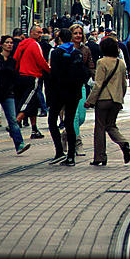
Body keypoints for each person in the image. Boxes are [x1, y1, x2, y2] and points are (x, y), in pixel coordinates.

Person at [85, 36, 130, 166]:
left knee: (99, 127)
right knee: (111, 125)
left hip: (103, 99)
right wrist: (120, 98)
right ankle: (123, 142)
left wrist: (90, 100)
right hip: (116, 100)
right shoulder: (120, 63)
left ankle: (100, 157)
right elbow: (124, 84)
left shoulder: (102, 62)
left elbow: (98, 84)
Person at [47, 28, 87, 166]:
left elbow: (53, 75)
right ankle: (71, 157)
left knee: (52, 121)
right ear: (70, 38)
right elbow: (83, 73)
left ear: (59, 39)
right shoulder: (77, 53)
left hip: (59, 93)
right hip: (74, 93)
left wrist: (49, 95)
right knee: (70, 123)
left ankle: (59, 151)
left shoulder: (56, 52)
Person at [0, 36, 30, 154]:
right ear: (2, 44)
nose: (9, 45)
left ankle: (19, 144)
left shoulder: (13, 60)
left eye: (11, 43)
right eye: (7, 42)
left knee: (13, 120)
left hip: (8, 93)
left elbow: (14, 77)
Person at [13, 25, 50, 140]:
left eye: (41, 33)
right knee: (28, 102)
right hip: (32, 76)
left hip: (21, 76)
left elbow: (15, 59)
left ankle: (34, 129)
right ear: (32, 33)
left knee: (32, 103)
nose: (40, 35)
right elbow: (41, 61)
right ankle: (15, 123)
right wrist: (49, 70)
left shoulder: (22, 44)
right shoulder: (35, 45)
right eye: (38, 32)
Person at [68, 24, 95, 156]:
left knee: (82, 117)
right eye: (75, 33)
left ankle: (66, 134)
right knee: (74, 116)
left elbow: (91, 66)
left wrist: (90, 76)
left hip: (82, 85)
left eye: (80, 33)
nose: (78, 35)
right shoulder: (66, 49)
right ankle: (77, 143)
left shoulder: (86, 49)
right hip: (68, 86)